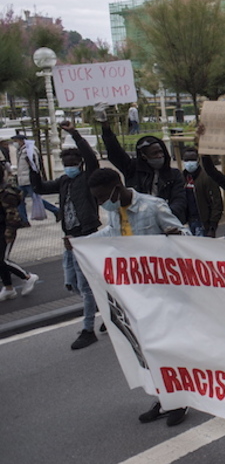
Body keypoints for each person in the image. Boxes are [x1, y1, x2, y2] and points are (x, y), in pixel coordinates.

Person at [80, 167, 190, 426]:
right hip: (135, 292)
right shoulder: (115, 212)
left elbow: (184, 237)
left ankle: (179, 400)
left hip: (162, 292)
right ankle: (163, 398)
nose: (100, 203)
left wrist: (175, 239)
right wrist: (82, 243)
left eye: (102, 197)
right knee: (145, 349)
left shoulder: (153, 206)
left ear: (116, 188)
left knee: (166, 348)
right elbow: (111, 235)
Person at [29, 122, 100, 349]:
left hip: (86, 237)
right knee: (74, 284)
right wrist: (33, 166)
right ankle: (108, 310)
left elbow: (92, 159)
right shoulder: (64, 182)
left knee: (85, 286)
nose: (69, 167)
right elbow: (39, 188)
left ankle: (88, 329)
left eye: (73, 164)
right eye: (66, 164)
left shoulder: (87, 178)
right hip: (68, 240)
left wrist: (74, 134)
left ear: (80, 164)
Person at [99, 111, 186, 223]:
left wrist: (164, 216)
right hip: (138, 221)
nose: (159, 156)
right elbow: (115, 152)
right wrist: (105, 127)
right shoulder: (132, 169)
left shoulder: (174, 175)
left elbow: (179, 200)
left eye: (161, 152)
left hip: (167, 221)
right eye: (154, 153)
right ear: (144, 156)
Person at [0, 169, 37, 302]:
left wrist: (9, 233)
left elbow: (12, 215)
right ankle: (8, 288)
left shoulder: (6, 194)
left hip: (4, 230)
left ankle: (27, 277)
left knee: (2, 260)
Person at [13, 134, 59, 225]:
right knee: (19, 200)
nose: (15, 143)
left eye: (16, 141)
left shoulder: (30, 150)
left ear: (22, 141)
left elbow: (35, 165)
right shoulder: (20, 151)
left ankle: (56, 210)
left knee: (36, 199)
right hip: (22, 180)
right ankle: (24, 220)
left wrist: (34, 177)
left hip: (29, 180)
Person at [180, 146, 223, 238]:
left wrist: (212, 226)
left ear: (198, 160)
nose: (189, 163)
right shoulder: (182, 178)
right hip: (189, 222)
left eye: (192, 159)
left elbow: (217, 202)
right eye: (186, 160)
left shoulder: (207, 178)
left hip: (204, 222)